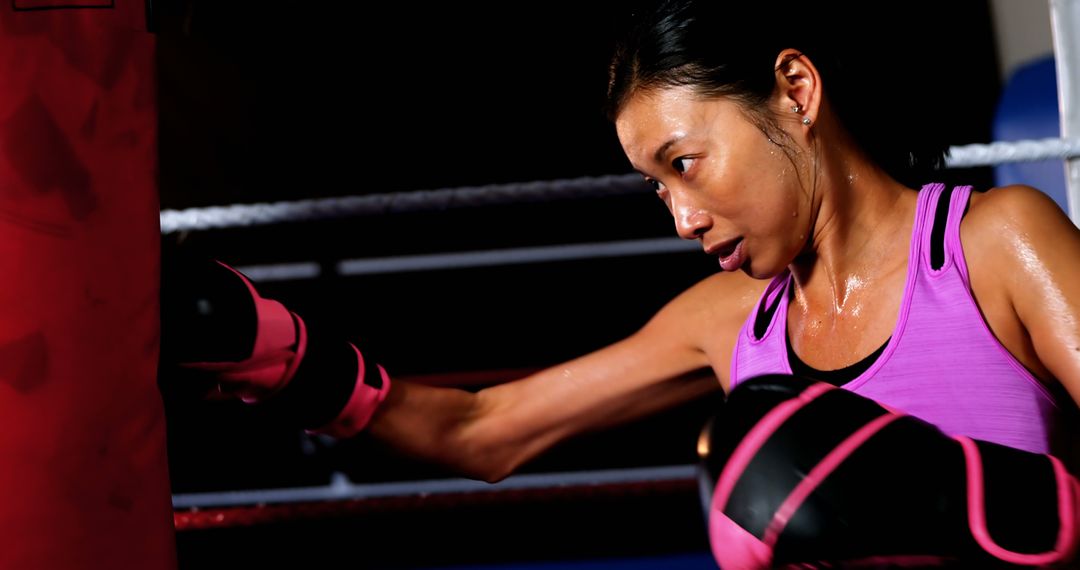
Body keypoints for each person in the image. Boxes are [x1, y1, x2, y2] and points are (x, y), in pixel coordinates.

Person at [163, 0, 1079, 566]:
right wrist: (283, 361)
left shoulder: (989, 249)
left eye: (687, 162)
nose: (681, 217)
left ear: (795, 91)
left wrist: (984, 500)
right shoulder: (730, 325)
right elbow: (482, 432)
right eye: (657, 184)